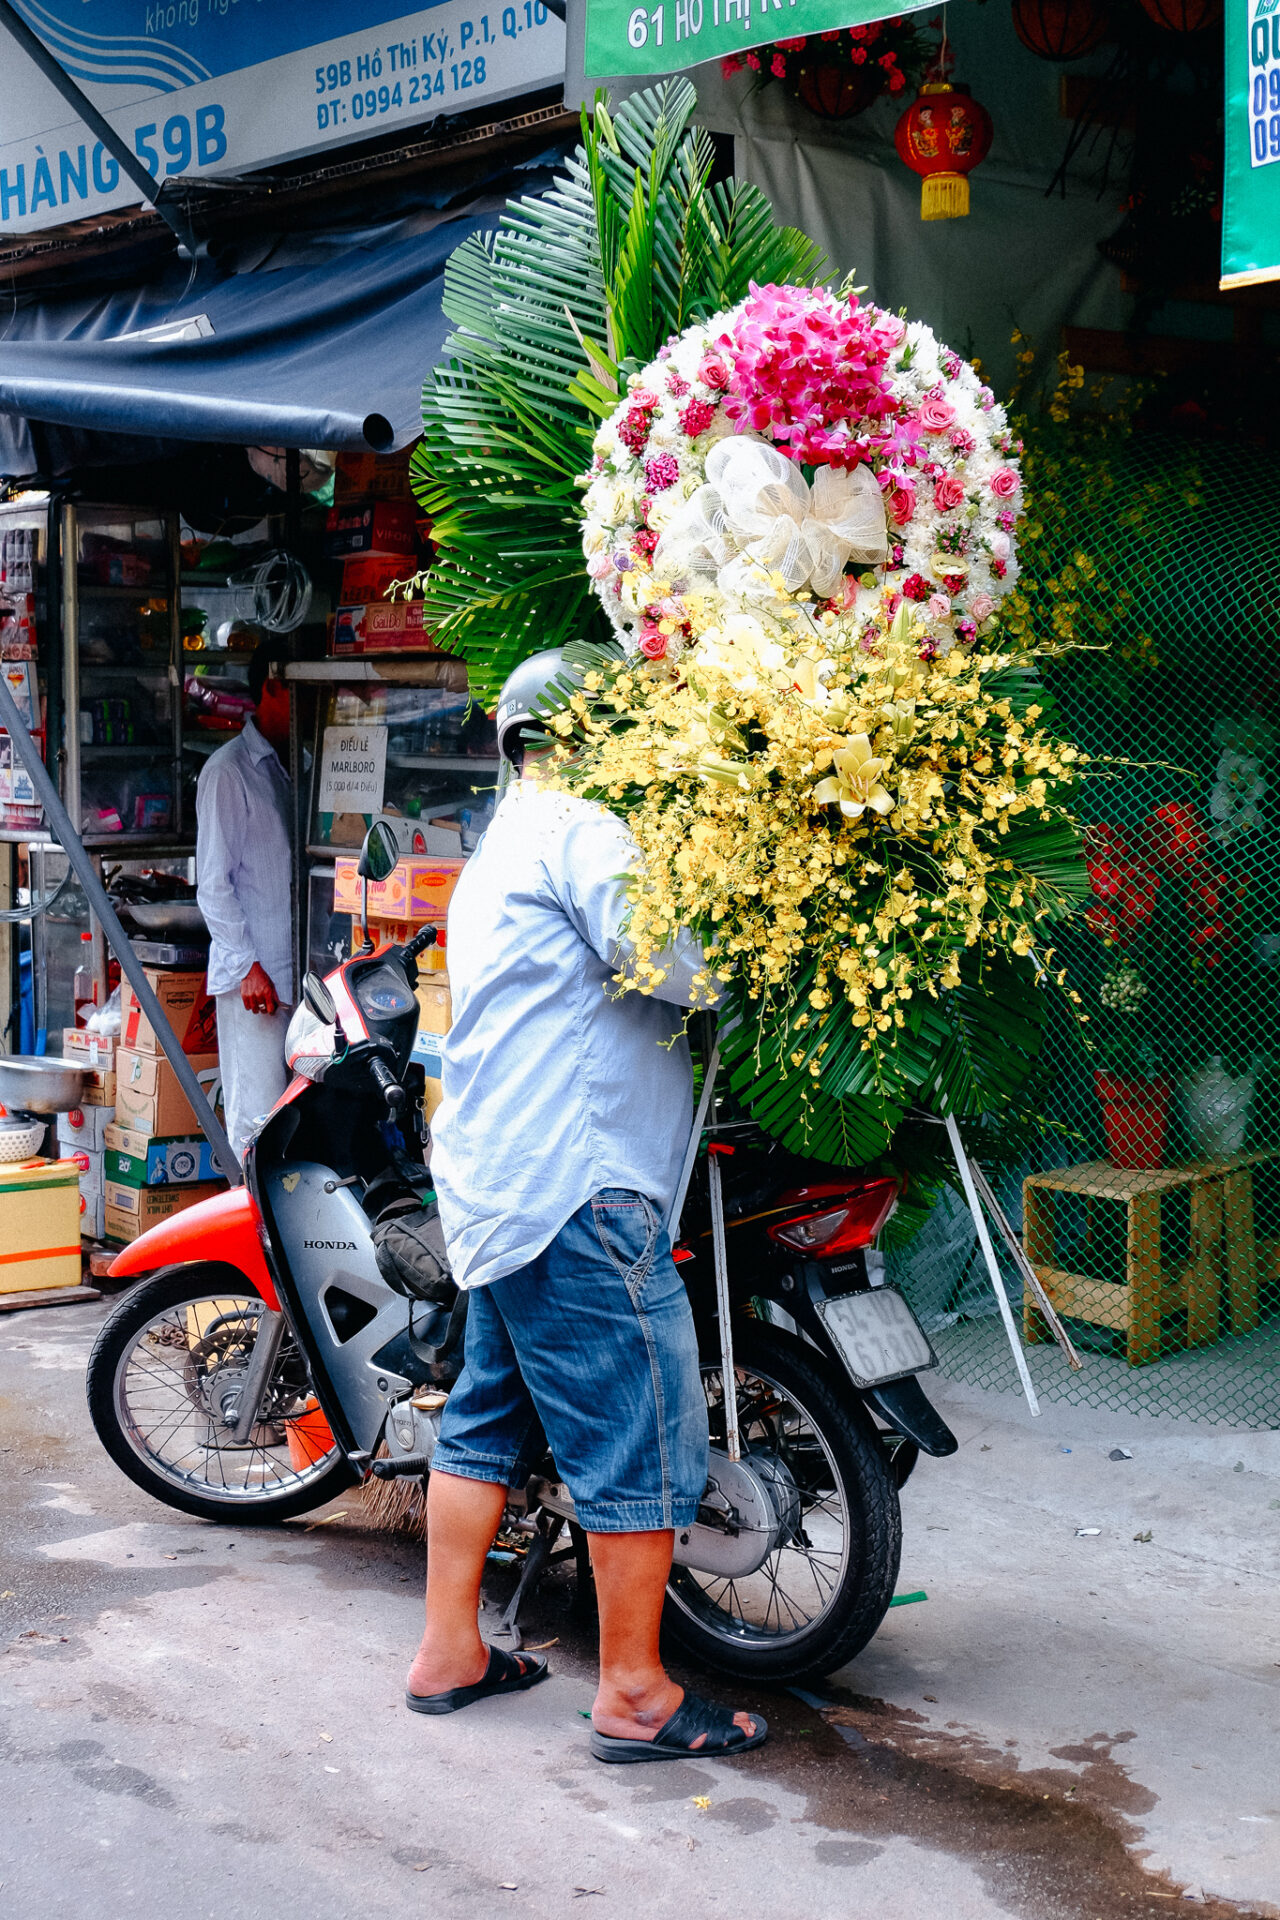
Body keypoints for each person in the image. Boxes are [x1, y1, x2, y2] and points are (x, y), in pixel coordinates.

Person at [406, 650, 766, 1765]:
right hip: (577, 1183)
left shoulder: (502, 838)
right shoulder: (584, 829)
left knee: (483, 1418)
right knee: (639, 1433)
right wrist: (765, 941)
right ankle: (633, 1695)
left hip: (503, 1185)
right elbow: (677, 965)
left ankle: (448, 1652)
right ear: (601, 735)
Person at [195, 643, 293, 1163]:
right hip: (255, 980)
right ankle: (252, 1234)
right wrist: (247, 965)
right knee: (257, 1121)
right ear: (271, 688)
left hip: (297, 978)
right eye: (293, 692)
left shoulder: (287, 765)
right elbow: (212, 884)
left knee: (291, 1120)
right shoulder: (228, 772)